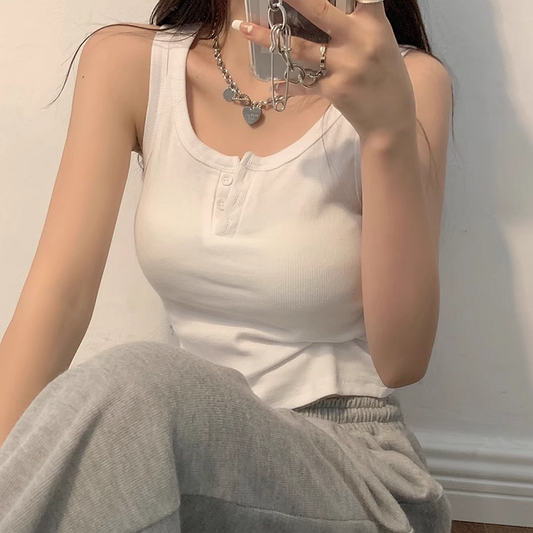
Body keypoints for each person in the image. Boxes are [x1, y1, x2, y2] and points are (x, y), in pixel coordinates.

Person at [0, 0, 454, 531]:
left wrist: (385, 130)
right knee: (117, 427)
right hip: (178, 458)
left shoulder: (410, 82)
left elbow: (402, 361)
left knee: (136, 387)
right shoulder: (127, 64)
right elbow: (58, 303)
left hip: (354, 470)